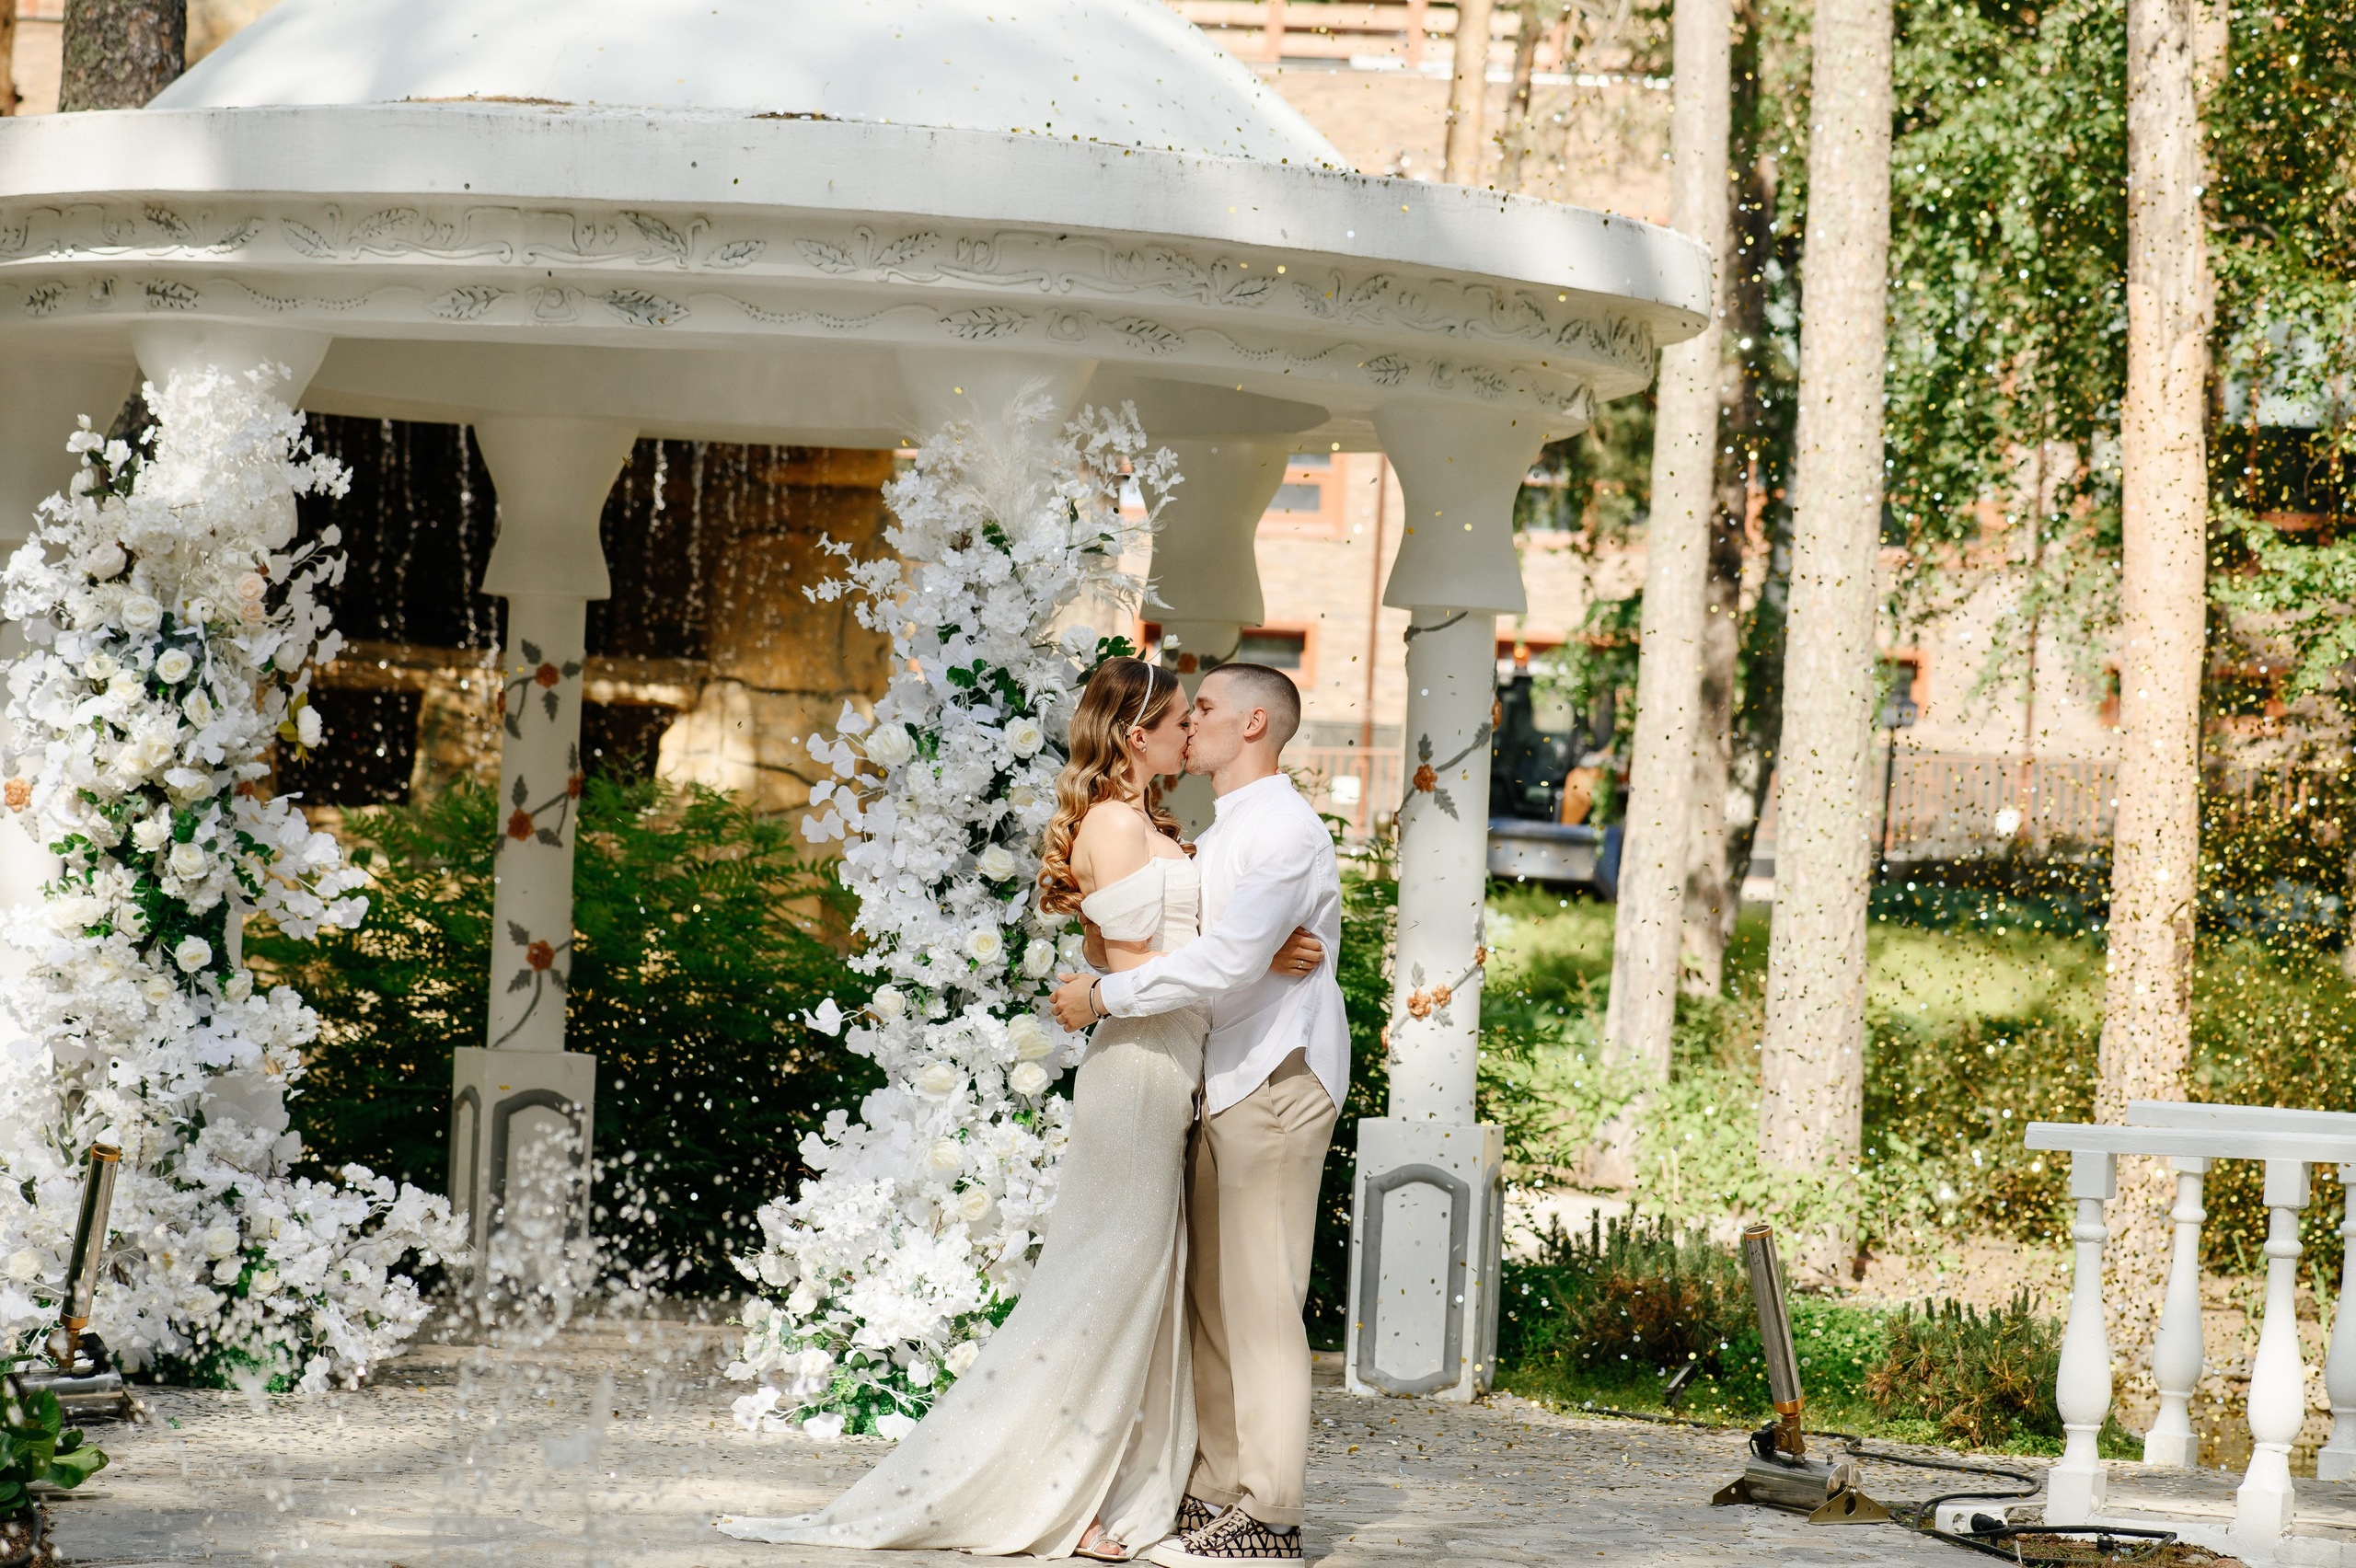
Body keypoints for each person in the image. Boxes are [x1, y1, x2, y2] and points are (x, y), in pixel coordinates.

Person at [717, 657, 1320, 1562]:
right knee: (1098, 1283)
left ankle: (1111, 1481)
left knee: (1135, 1289)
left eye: (1197, 716)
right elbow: (1126, 968)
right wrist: (1233, 958)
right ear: (1135, 734)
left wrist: (1260, 950)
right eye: (1175, 717)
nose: (1188, 730)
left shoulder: (1161, 822)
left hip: (1172, 1071)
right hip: (1139, 1071)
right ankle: (1054, 1496)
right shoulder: (1116, 826)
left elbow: (1185, 947)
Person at [1048, 663, 1346, 1568]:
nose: (1192, 723)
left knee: (1260, 1306)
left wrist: (1104, 996)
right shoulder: (1224, 829)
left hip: (1275, 1083)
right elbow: (1216, 946)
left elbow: (1222, 962)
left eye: (1206, 708)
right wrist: (1254, 955)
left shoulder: (1284, 830)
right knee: (1215, 1303)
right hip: (1215, 1081)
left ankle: (1270, 1514)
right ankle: (1217, 1493)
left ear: (1254, 723)